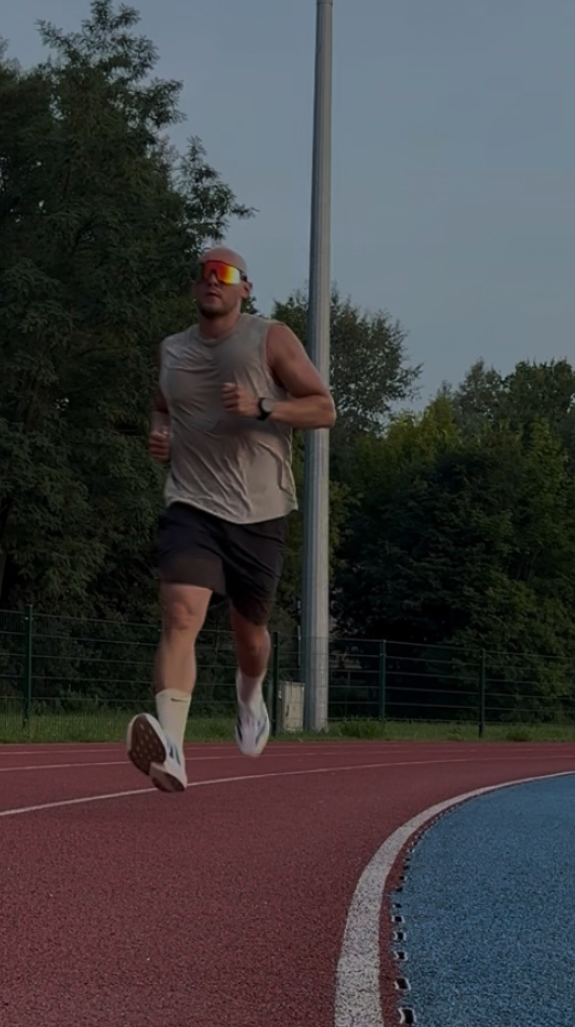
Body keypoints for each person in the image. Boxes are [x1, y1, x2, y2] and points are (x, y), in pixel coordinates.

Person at [125, 247, 336, 792]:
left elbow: (323, 408)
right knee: (180, 615)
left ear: (245, 287)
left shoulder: (270, 338)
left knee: (250, 632)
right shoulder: (172, 350)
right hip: (191, 503)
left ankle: (249, 695)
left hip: (260, 512)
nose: (211, 281)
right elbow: (162, 407)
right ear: (194, 288)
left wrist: (263, 406)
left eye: (223, 274)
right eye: (203, 274)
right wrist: (160, 434)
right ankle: (172, 749)